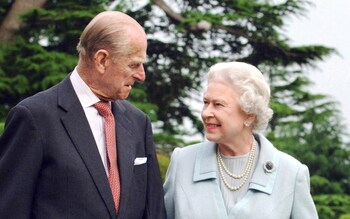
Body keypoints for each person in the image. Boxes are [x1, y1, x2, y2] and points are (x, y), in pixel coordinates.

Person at [0, 11, 166, 219]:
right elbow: (9, 209)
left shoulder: (139, 122)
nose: (142, 75)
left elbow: (155, 212)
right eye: (133, 64)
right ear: (102, 59)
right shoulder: (34, 117)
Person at [164, 61, 318, 219]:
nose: (206, 113)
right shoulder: (182, 162)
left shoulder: (291, 173)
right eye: (205, 103)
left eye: (218, 105)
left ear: (249, 114)